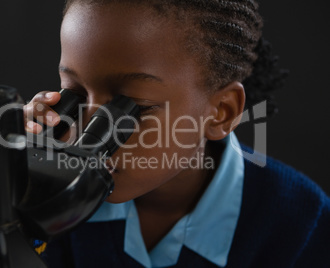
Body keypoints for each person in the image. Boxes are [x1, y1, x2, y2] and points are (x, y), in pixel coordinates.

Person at [24, 0, 330, 267]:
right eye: (73, 92)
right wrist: (10, 185)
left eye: (134, 106)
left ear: (222, 111)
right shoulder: (52, 197)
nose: (86, 128)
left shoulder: (302, 224)